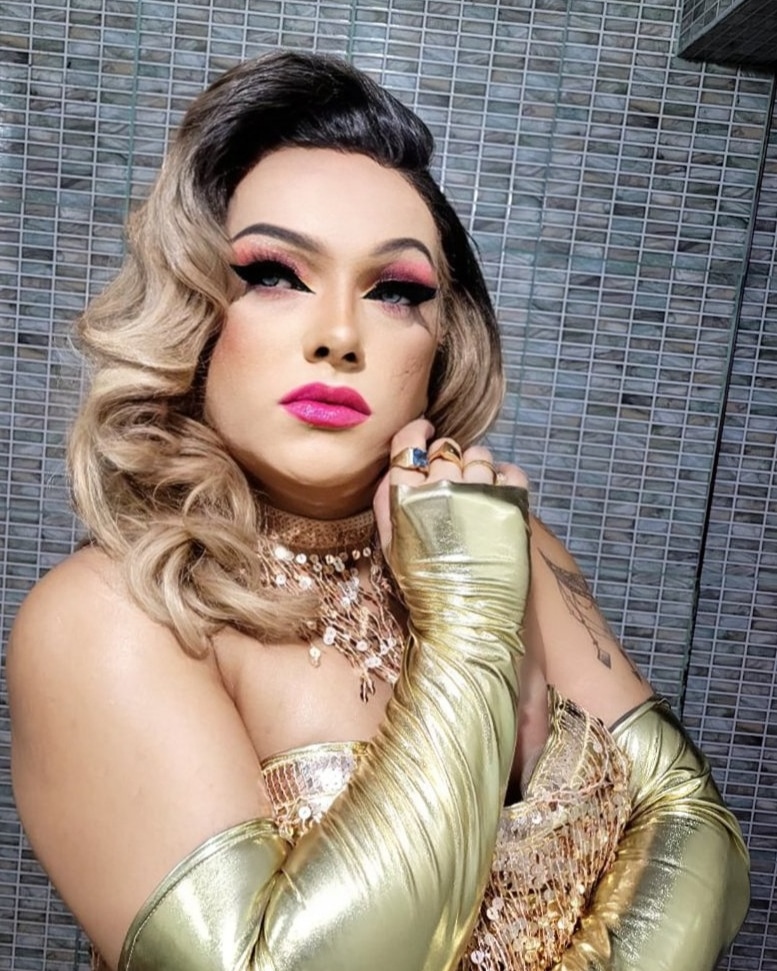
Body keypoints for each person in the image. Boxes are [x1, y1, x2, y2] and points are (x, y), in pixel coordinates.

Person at [8, 50, 749, 971]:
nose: (338, 335)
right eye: (274, 274)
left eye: (394, 290)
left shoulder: (500, 538)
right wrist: (469, 629)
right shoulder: (110, 617)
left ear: (443, 343)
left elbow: (699, 831)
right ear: (191, 307)